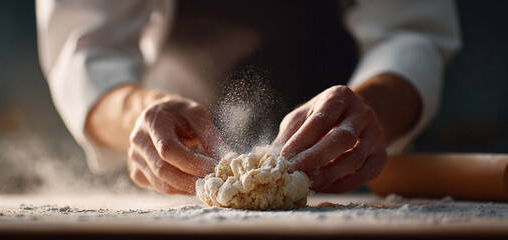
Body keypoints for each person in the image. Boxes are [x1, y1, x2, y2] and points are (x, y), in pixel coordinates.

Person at [36, 0, 461, 195]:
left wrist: (369, 111)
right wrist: (139, 115)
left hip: (347, 166)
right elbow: (85, 51)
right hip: (173, 169)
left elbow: (410, 30)